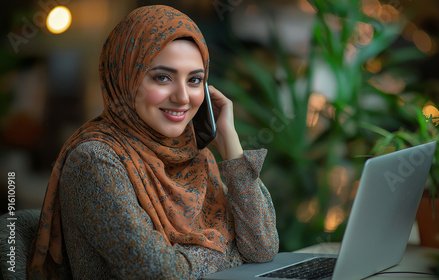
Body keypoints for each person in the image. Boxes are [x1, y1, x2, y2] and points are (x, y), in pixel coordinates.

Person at [28, 5, 279, 279]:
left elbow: (262, 248)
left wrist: (231, 146)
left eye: (195, 80)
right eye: (163, 77)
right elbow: (159, 272)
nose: (183, 97)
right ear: (125, 78)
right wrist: (227, 252)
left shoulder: (195, 156)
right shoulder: (95, 160)